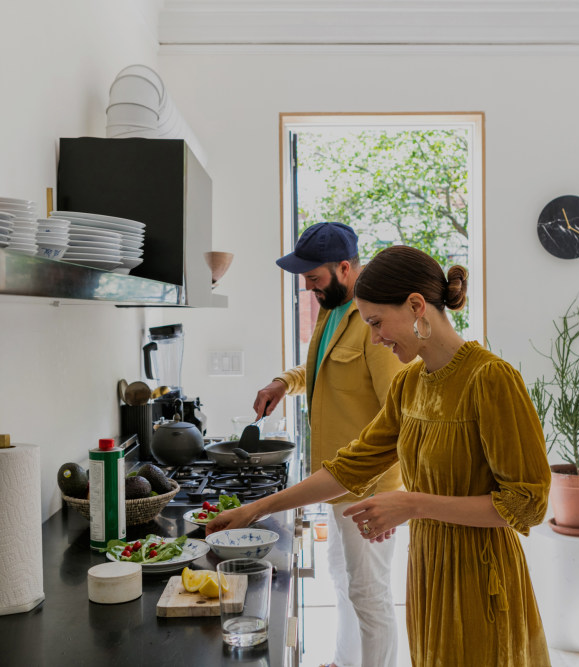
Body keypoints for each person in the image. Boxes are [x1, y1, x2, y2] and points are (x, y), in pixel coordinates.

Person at [211, 245, 552, 666]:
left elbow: (528, 504)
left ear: (415, 306)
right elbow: (350, 466)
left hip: (482, 574)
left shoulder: (491, 379)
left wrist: (412, 503)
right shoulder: (410, 383)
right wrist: (256, 510)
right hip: (429, 565)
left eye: (376, 322)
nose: (374, 337)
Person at [253, 222, 405, 667]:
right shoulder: (332, 308)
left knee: (370, 593)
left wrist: (391, 497)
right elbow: (319, 369)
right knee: (343, 580)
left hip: (369, 488)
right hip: (334, 480)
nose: (308, 287)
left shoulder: (374, 323)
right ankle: (344, 660)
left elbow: (398, 417)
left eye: (314, 278)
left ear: (344, 268)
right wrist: (285, 382)